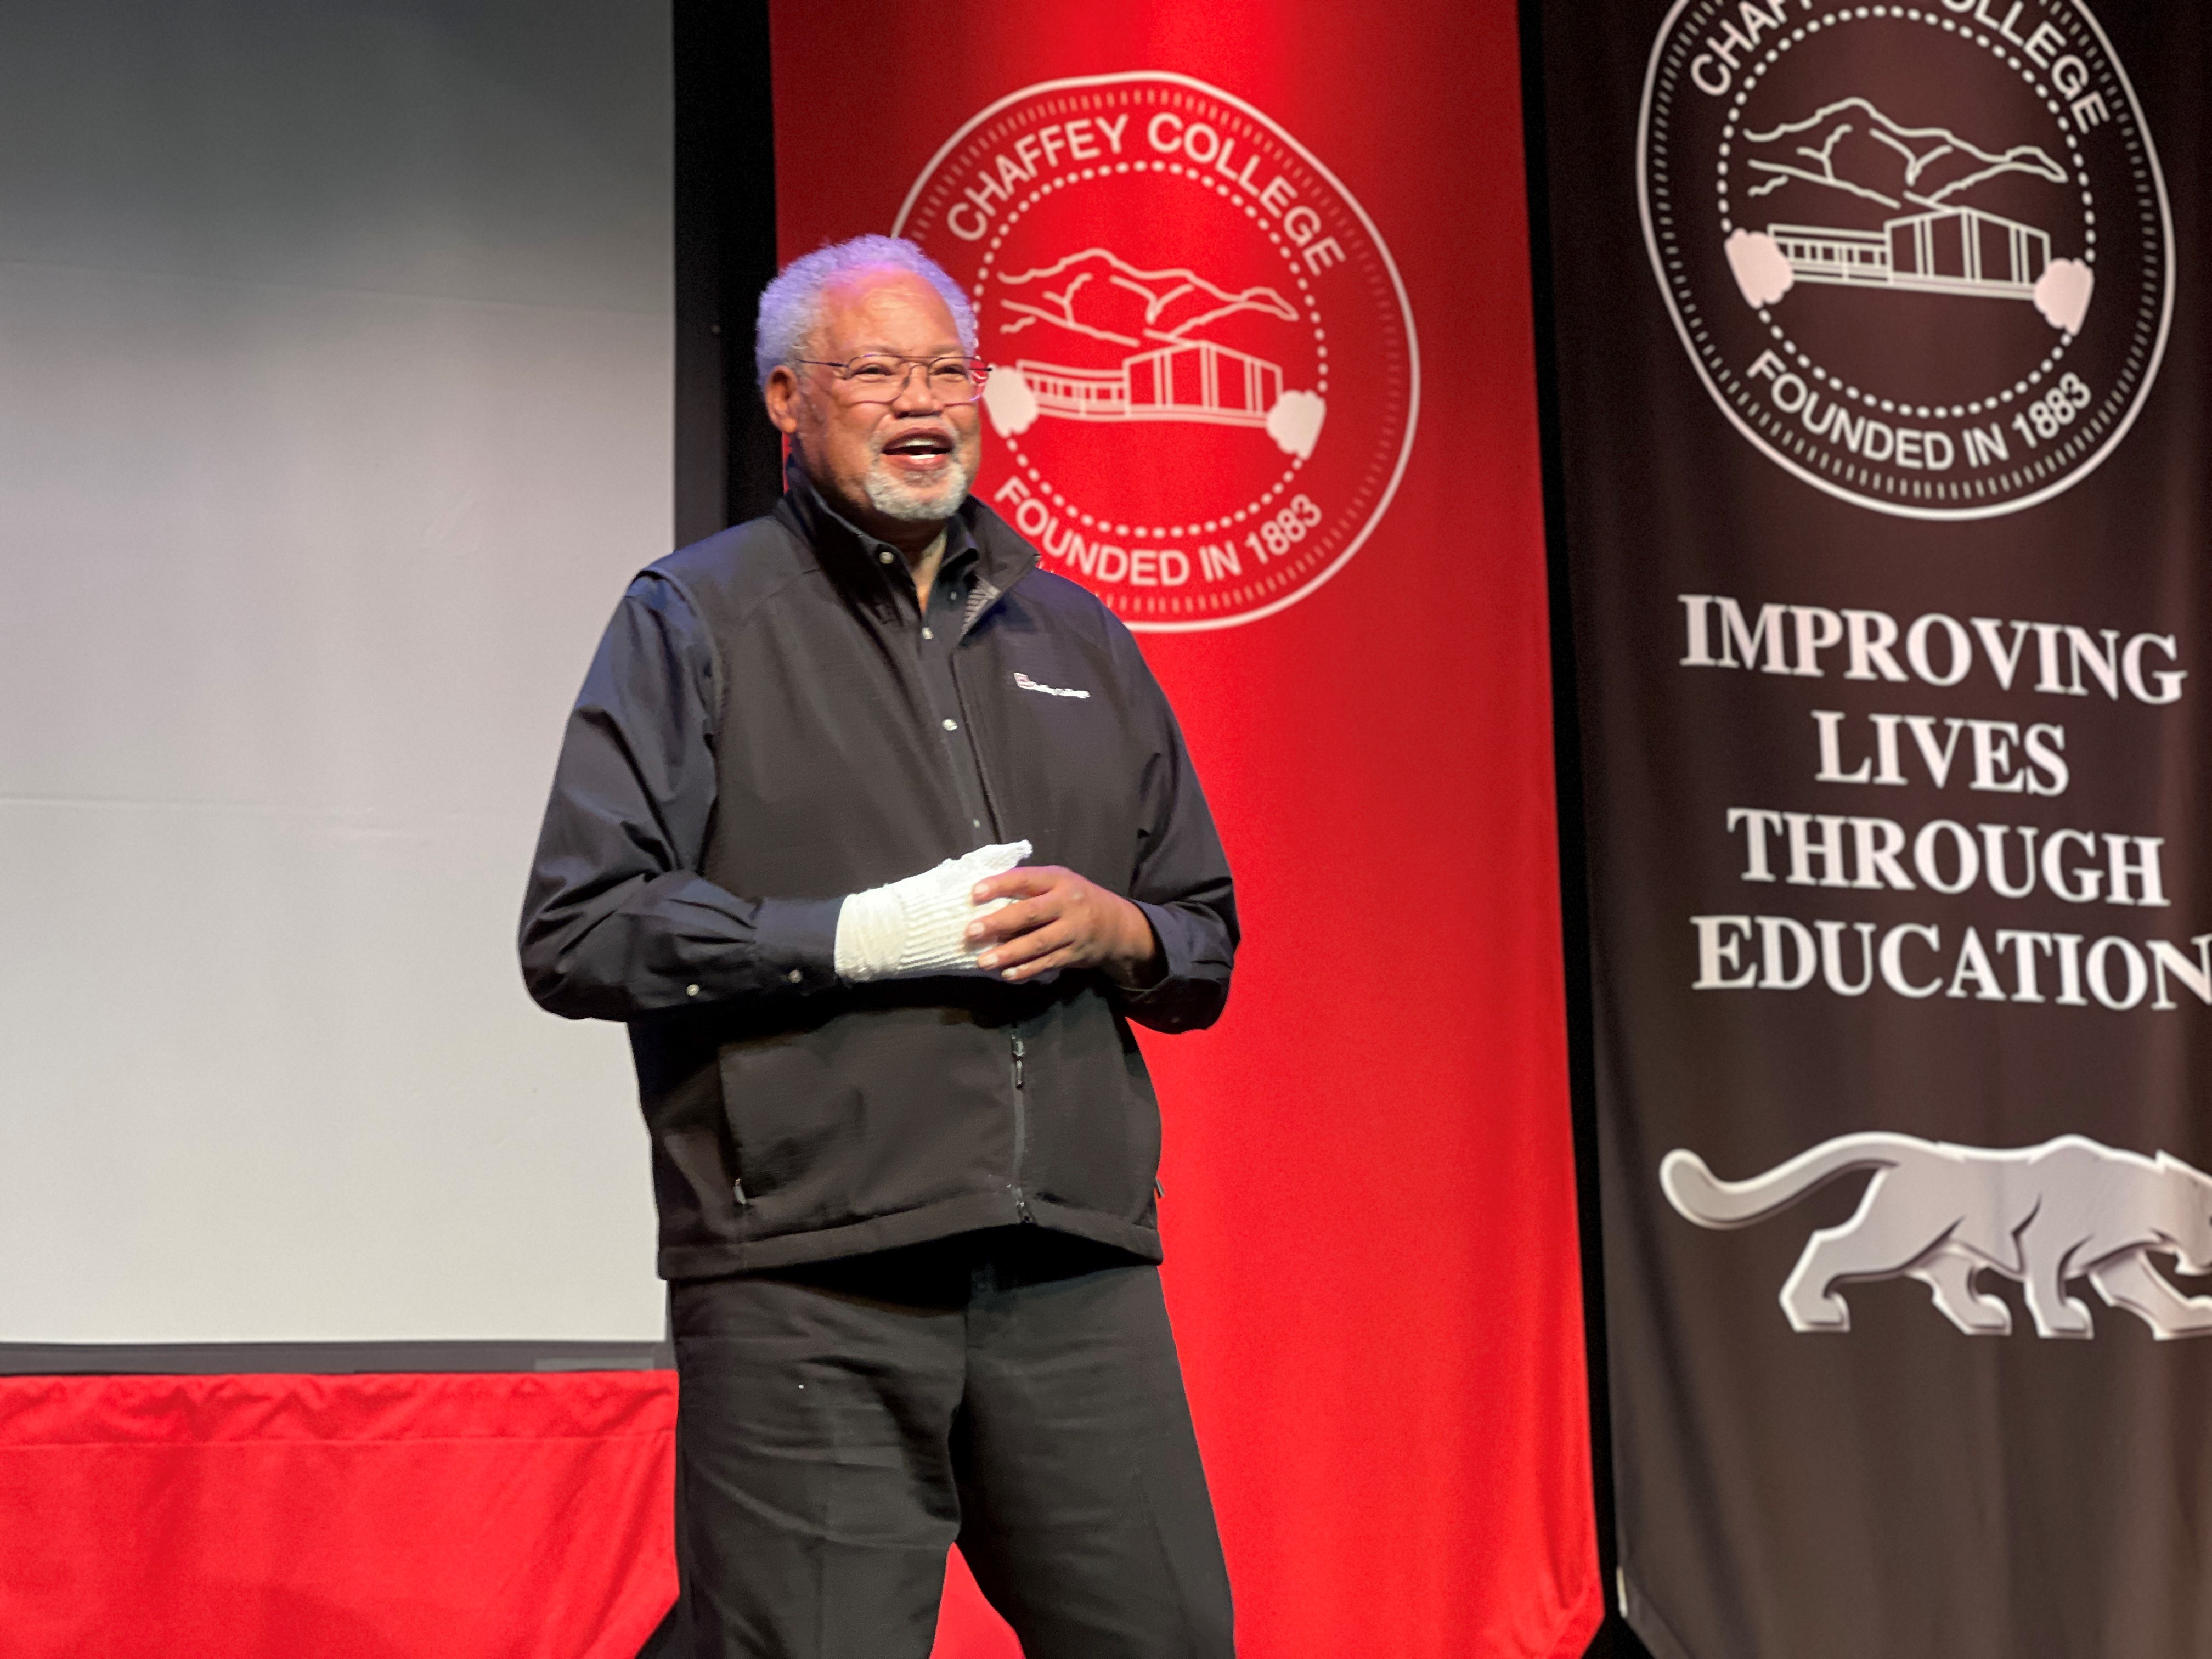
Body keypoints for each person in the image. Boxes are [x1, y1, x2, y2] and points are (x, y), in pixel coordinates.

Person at [519, 235, 1239, 1658]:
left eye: (949, 370)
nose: (924, 400)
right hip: (812, 1281)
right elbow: (578, 927)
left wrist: (1117, 928)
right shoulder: (697, 618)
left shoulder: (1080, 634)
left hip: (1067, 1270)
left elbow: (1202, 939)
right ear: (789, 402)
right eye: (877, 371)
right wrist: (853, 938)